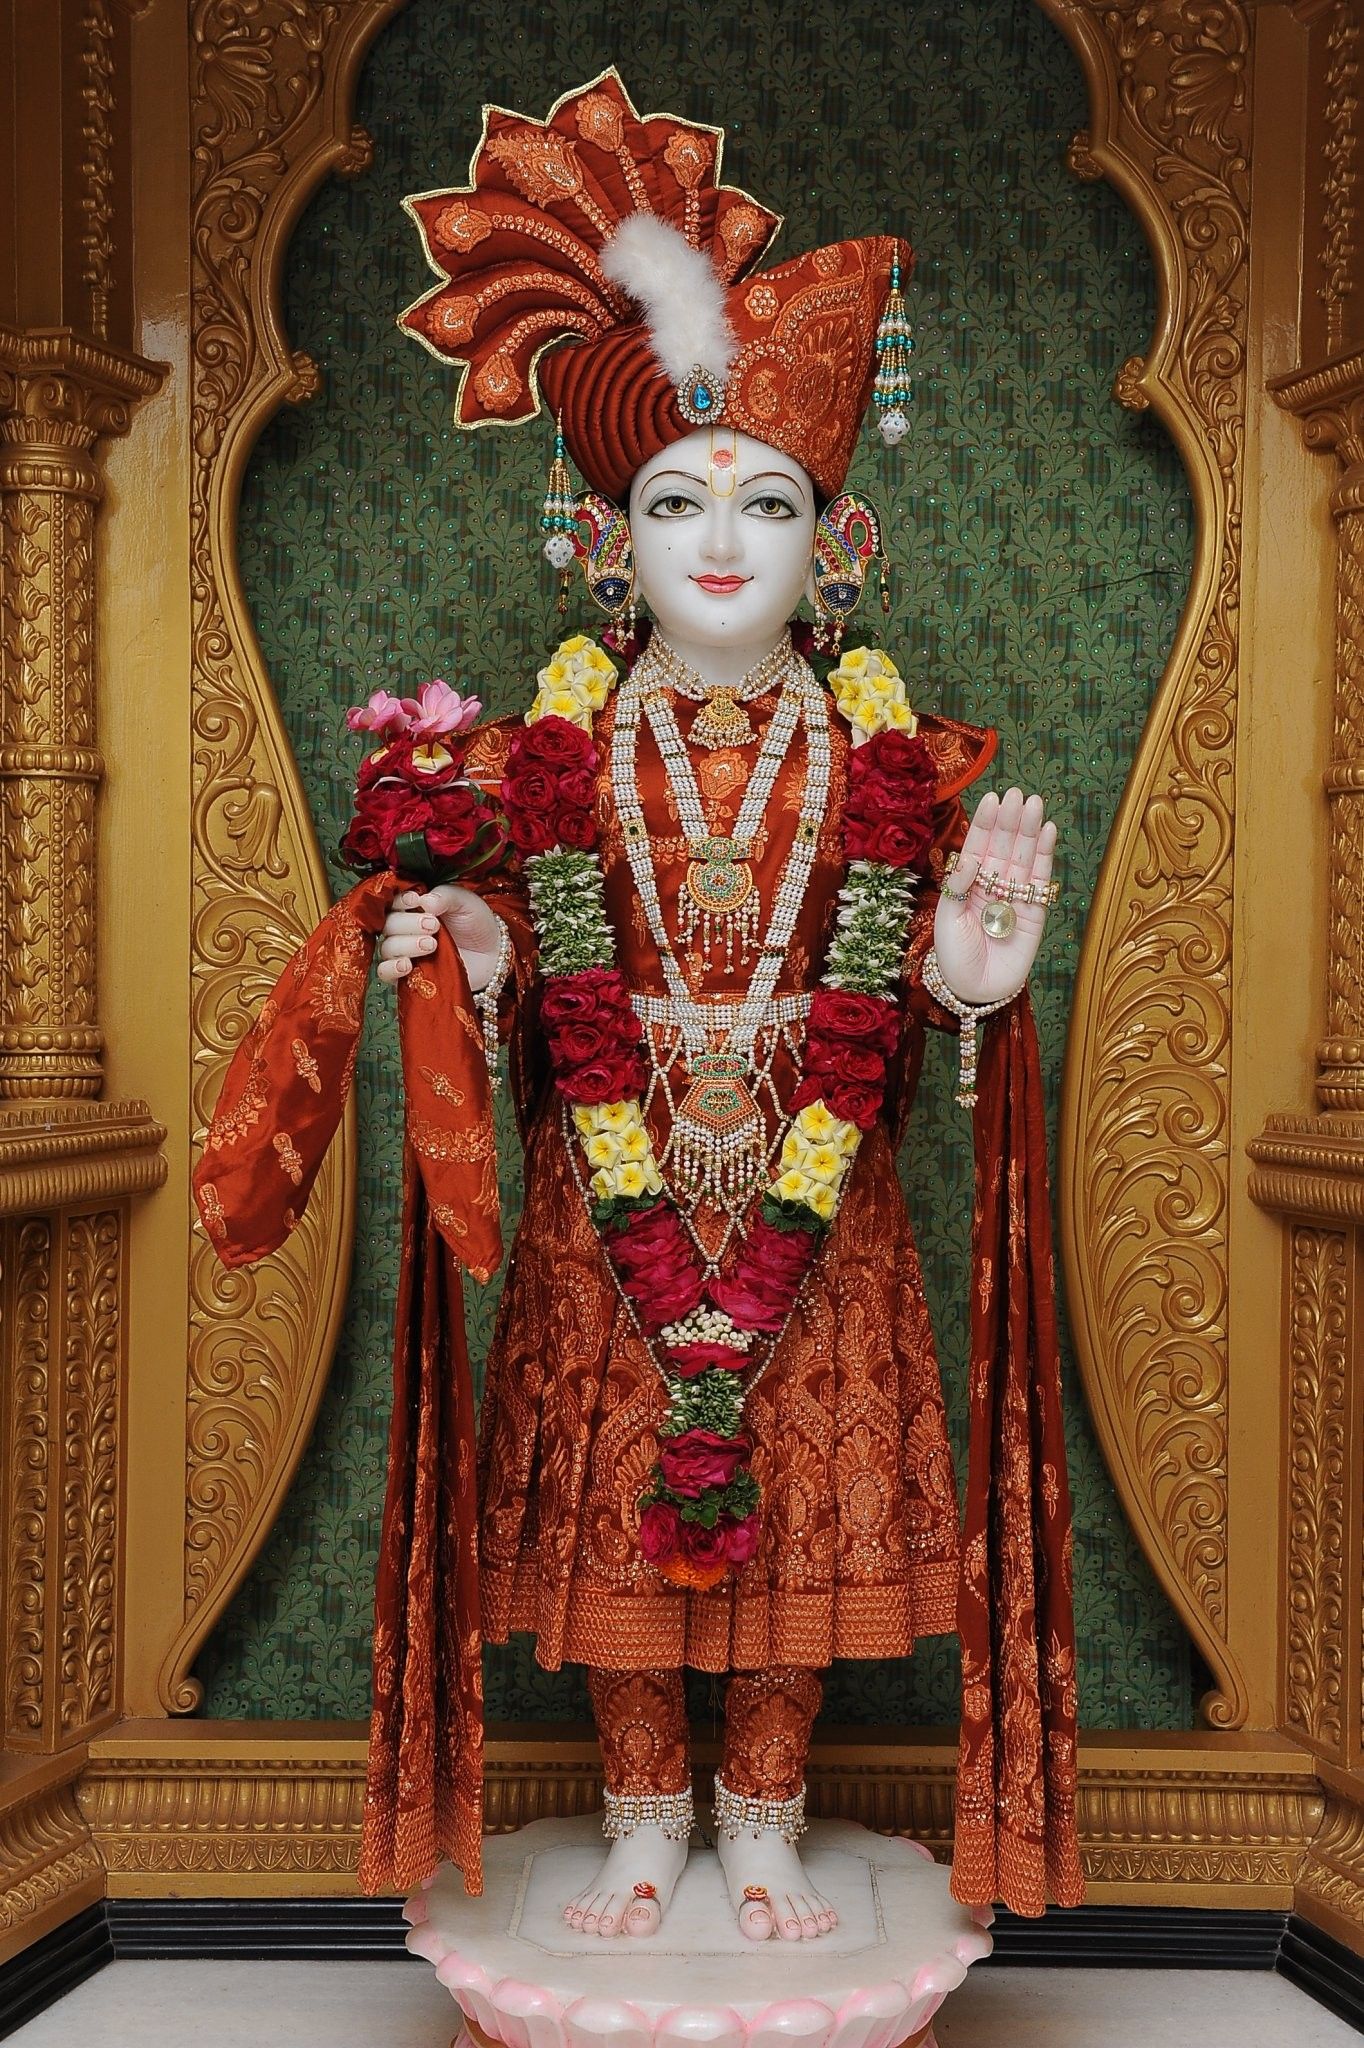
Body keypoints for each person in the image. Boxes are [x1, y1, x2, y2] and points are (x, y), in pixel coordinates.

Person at [195, 70, 1081, 1940]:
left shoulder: (888, 752)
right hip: (612, 1203)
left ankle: (764, 1815)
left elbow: (909, 985)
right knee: (621, 1497)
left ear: (834, 539)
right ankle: (646, 1810)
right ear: (611, 538)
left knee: (790, 1496)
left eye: (768, 502)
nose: (721, 541)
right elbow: (526, 961)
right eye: (677, 501)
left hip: (815, 1208)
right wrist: (473, 959)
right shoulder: (546, 757)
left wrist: (972, 983)